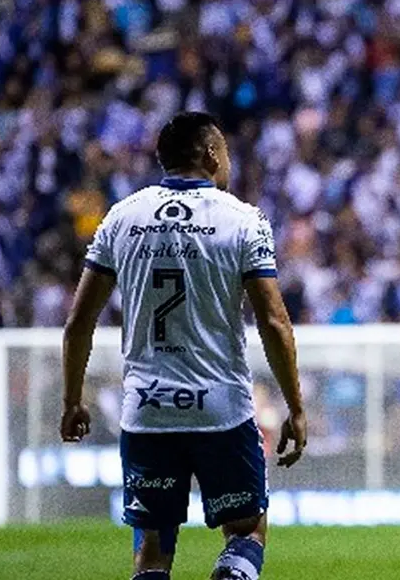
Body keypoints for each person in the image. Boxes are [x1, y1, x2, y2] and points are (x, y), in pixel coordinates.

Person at [59, 112, 307, 580]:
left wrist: (72, 401)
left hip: (148, 409)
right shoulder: (243, 220)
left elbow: (78, 322)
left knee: (152, 549)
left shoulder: (121, 217)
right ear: (212, 153)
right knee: (247, 530)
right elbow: (273, 321)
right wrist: (295, 406)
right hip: (221, 410)